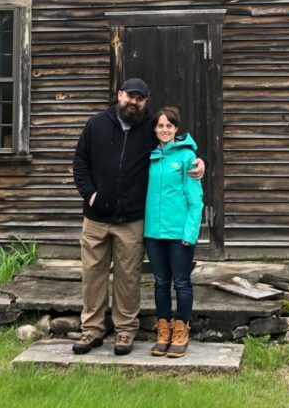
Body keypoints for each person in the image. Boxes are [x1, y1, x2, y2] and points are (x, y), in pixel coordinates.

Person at [71, 78, 204, 356]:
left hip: (131, 219)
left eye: (139, 98)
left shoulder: (148, 128)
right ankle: (92, 330)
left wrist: (199, 160)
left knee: (128, 277)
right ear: (119, 95)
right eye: (129, 96)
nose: (133, 102)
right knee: (93, 275)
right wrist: (89, 194)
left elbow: (175, 142)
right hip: (96, 218)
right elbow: (80, 161)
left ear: (145, 102)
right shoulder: (96, 124)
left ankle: (125, 331)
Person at [144, 106, 204, 358]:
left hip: (179, 234)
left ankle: (181, 329)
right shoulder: (150, 156)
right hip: (153, 233)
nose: (164, 130)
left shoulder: (188, 157)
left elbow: (196, 199)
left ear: (176, 129)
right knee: (160, 283)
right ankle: (163, 329)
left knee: (181, 282)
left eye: (169, 126)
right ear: (155, 129)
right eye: (160, 126)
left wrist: (190, 234)